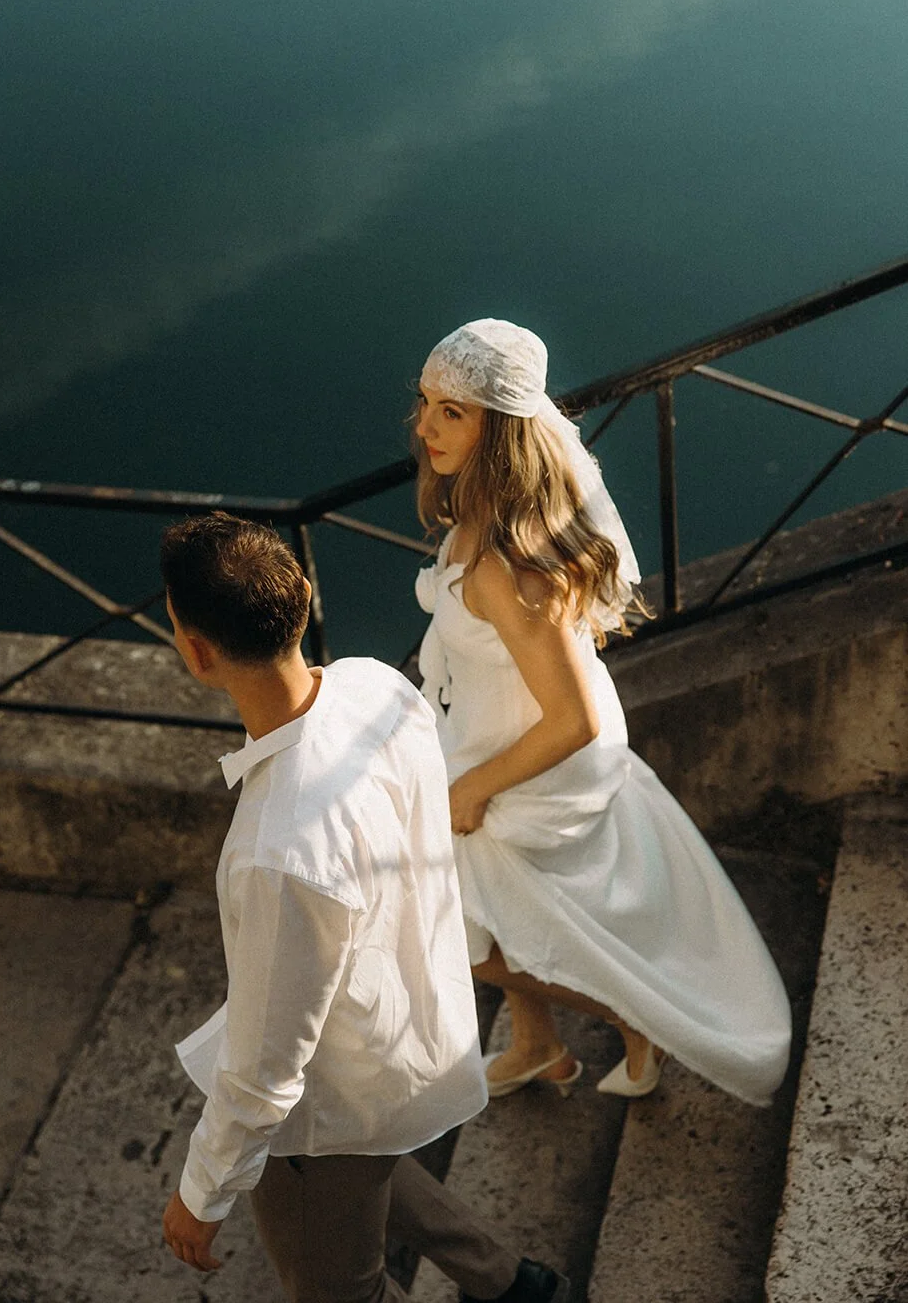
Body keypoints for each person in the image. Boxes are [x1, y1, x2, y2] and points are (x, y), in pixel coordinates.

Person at [158, 511, 569, 1303]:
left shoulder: (275, 851)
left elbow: (266, 1076)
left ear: (197, 653)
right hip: (401, 1034)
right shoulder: (376, 685)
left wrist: (198, 1195)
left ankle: (508, 1284)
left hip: (335, 1089)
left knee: (339, 1288)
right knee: (368, 1158)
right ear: (305, 597)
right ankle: (507, 1284)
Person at [412, 319, 792, 1104]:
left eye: (452, 411)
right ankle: (538, 1045)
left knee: (456, 927)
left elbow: (573, 719)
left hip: (523, 759)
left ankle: (635, 1017)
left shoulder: (505, 567)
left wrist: (472, 788)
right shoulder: (482, 510)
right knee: (494, 911)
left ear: (503, 428)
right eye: (424, 404)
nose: (423, 427)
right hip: (486, 730)